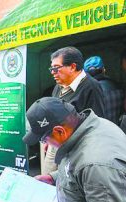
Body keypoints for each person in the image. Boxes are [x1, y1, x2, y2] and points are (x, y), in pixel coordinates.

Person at [42, 47, 105, 175]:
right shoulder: (58, 87)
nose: (52, 72)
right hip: (55, 144)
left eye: (56, 68)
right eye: (51, 69)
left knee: (68, 186)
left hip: (76, 149)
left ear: (72, 67)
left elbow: (96, 123)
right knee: (47, 181)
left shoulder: (91, 87)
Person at [84, 56, 124, 125]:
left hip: (98, 133)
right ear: (104, 70)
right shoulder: (117, 87)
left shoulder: (87, 93)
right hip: (117, 131)